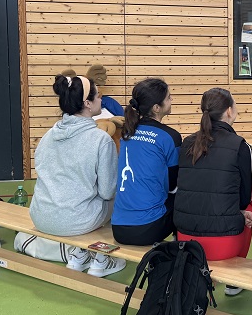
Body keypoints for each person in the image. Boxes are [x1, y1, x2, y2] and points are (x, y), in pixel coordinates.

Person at [30, 74, 125, 277]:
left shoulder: (47, 136)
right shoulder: (101, 140)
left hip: (40, 216)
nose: (102, 99)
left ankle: (79, 254)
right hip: (77, 222)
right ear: (88, 103)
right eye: (98, 96)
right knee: (119, 194)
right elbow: (108, 192)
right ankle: (102, 257)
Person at [175, 88, 252, 296]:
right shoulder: (240, 146)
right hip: (222, 244)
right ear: (229, 111)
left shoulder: (187, 142)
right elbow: (242, 198)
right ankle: (233, 280)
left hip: (184, 238)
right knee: (250, 203)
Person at [111, 78, 181, 247]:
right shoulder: (170, 136)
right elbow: (174, 185)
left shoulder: (127, 132)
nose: (172, 100)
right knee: (184, 193)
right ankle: (179, 245)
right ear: (156, 108)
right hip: (147, 229)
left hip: (118, 228)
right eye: (168, 97)